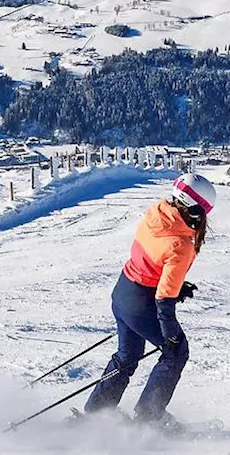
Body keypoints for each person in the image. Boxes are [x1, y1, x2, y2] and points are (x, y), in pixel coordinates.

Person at [84, 173, 216, 427]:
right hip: (142, 304)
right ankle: (149, 416)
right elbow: (164, 300)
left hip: (123, 292)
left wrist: (176, 285)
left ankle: (97, 411)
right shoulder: (181, 244)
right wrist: (171, 334)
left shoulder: (157, 214)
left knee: (128, 355)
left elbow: (152, 261)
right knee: (176, 352)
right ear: (195, 211)